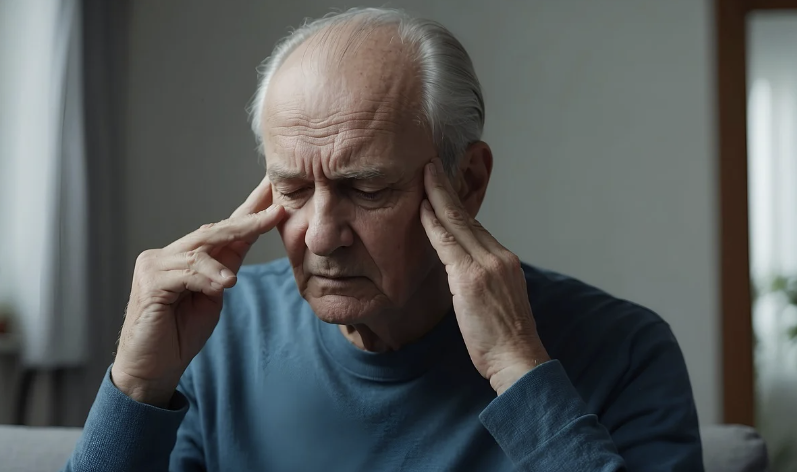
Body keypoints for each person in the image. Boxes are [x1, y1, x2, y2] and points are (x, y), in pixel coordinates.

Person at [63, 7, 703, 471]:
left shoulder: (625, 350)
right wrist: (135, 388)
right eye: (291, 187)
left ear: (469, 180)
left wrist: (519, 370)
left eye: (367, 190)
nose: (321, 234)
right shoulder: (214, 331)